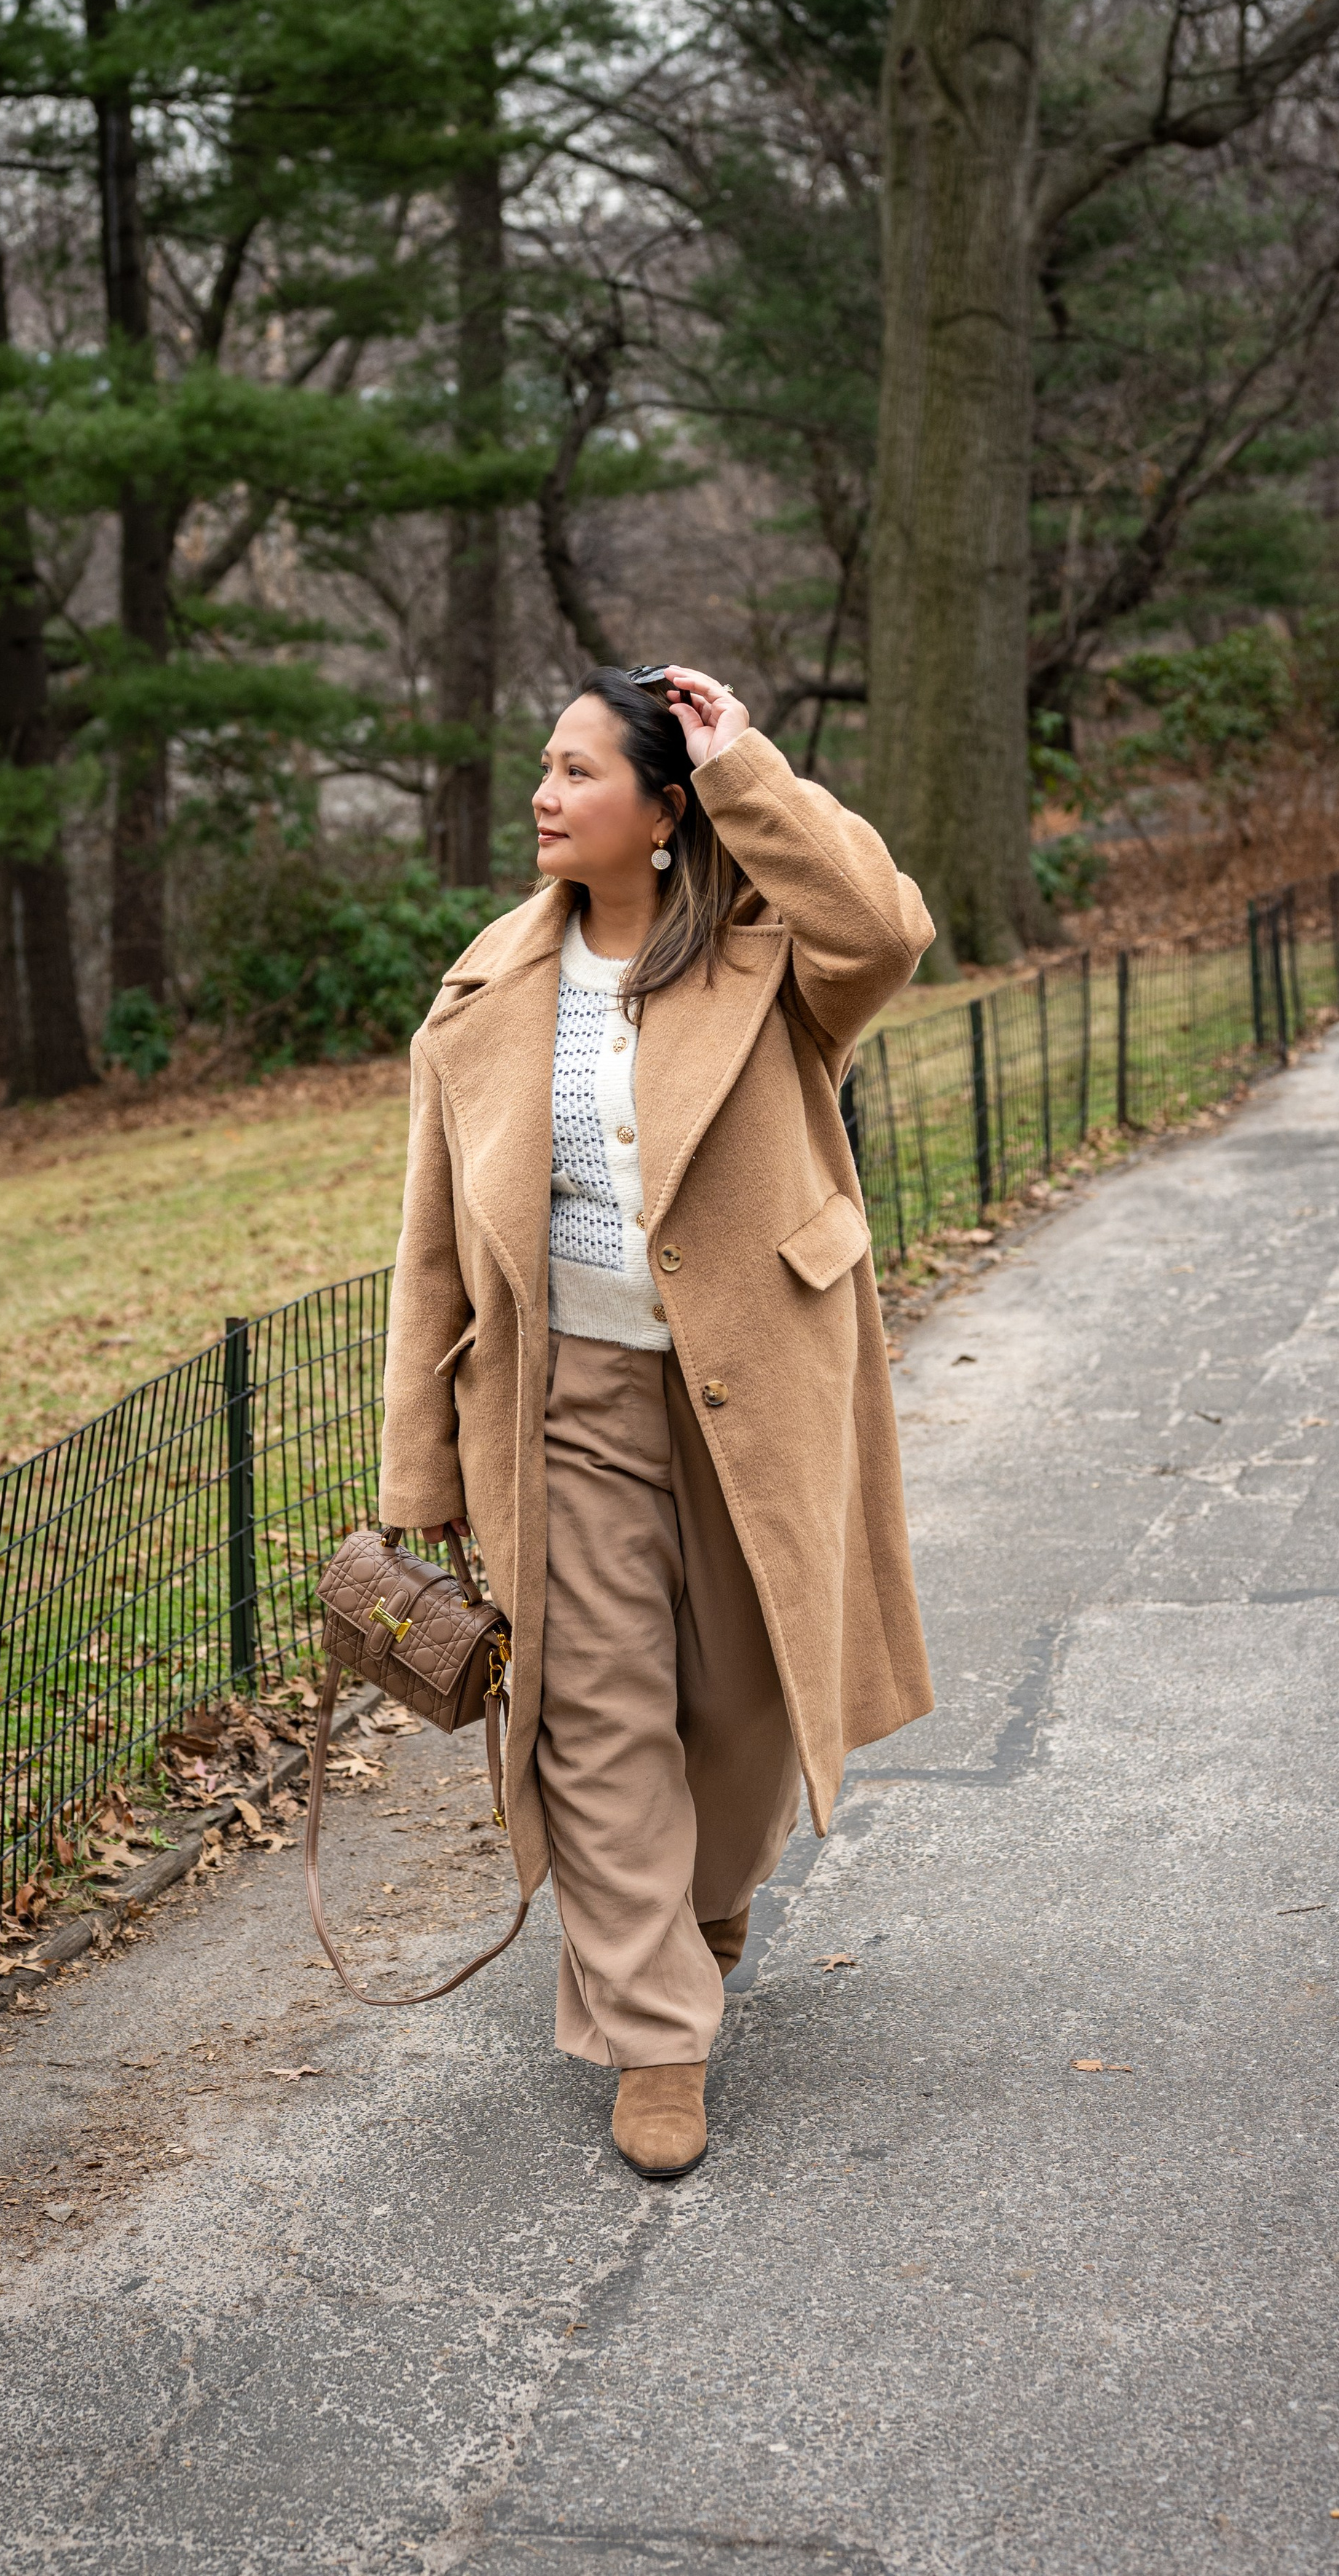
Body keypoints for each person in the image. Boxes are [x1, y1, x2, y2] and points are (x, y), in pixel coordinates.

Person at [377, 663, 936, 2180]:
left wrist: (744, 757)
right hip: (559, 1407)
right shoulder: (484, 990)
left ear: (664, 812)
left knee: (745, 1708)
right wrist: (417, 1461)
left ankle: (692, 1909)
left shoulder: (771, 962)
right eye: (542, 770)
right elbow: (433, 1244)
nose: (543, 797)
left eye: (575, 773)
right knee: (596, 1711)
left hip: (753, 1386)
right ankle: (655, 2035)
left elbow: (885, 924)